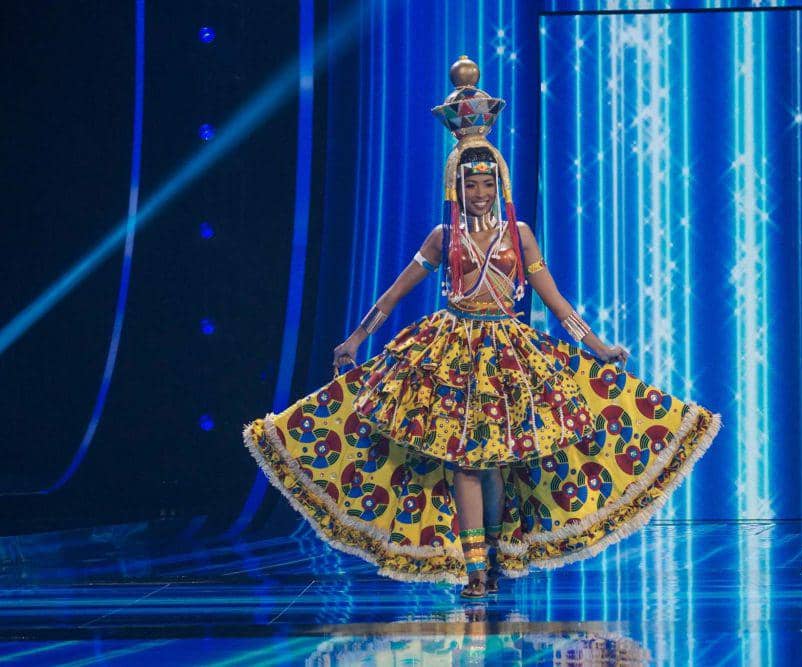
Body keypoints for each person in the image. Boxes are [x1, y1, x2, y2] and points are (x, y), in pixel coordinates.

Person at [243, 56, 722, 599]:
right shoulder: (442, 237)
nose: (480, 192)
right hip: (451, 354)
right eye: (471, 184)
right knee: (465, 462)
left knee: (495, 464)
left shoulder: (520, 234)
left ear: (499, 180)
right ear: (456, 183)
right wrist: (358, 336)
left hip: (508, 355)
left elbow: (556, 301)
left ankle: (491, 553)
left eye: (487, 182)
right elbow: (396, 292)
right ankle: (475, 570)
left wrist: (596, 345)